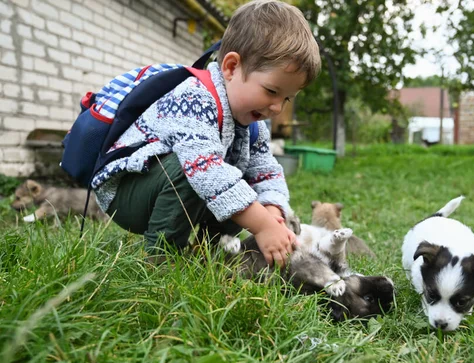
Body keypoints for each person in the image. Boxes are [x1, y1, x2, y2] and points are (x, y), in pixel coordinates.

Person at [91, 0, 321, 266]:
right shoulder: (194, 98)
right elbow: (204, 169)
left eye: (287, 99)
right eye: (271, 91)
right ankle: (162, 258)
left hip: (166, 190)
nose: (277, 107)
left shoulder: (253, 124)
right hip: (127, 195)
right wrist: (262, 225)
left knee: (239, 180)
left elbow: (266, 171)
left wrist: (272, 209)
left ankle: (210, 253)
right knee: (199, 169)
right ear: (232, 67)